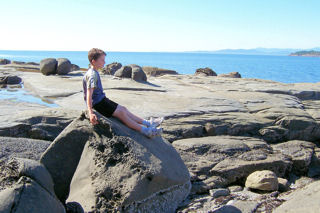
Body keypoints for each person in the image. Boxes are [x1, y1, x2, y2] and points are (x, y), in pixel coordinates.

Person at [83, 48, 163, 138]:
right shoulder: (92, 75)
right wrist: (90, 113)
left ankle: (148, 123)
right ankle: (146, 131)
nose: (104, 62)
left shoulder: (93, 72)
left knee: (123, 109)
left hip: (102, 100)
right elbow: (89, 95)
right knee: (121, 114)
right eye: (102, 60)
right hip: (98, 104)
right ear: (93, 61)